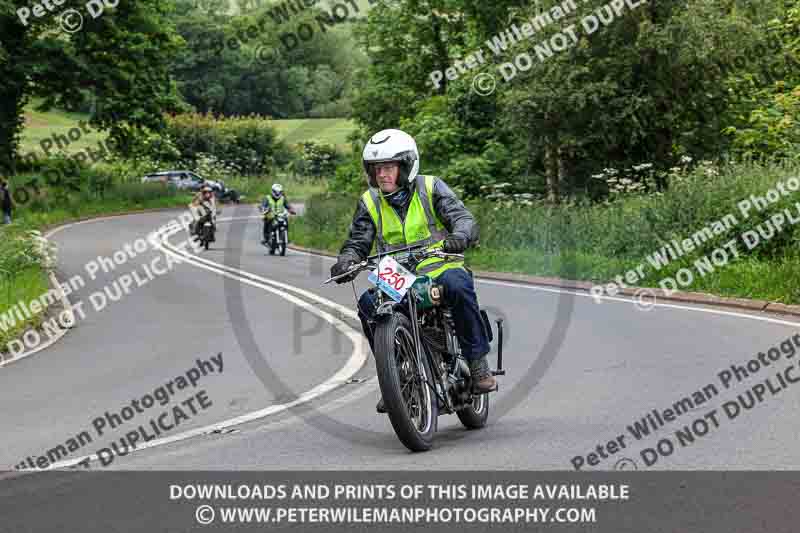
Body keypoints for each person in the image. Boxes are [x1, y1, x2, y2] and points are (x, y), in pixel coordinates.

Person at [330, 129, 495, 414]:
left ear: (406, 165)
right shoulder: (369, 202)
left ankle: (478, 363)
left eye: (388, 168)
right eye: (376, 169)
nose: (381, 175)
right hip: (396, 274)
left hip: (441, 266)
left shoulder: (431, 188)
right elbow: (358, 241)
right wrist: (346, 260)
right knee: (368, 304)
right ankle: (394, 379)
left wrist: (460, 235)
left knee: (458, 285)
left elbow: (463, 219)